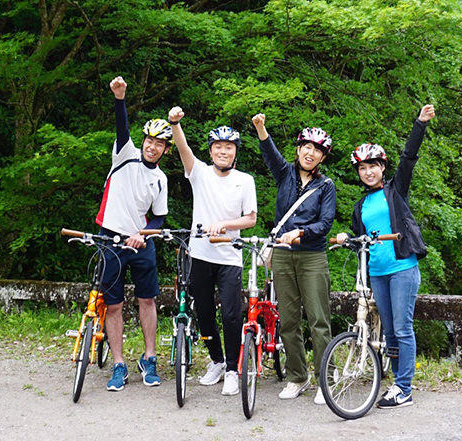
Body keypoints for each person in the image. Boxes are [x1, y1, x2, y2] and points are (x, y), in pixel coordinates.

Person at [335, 104, 436, 408]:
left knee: (403, 327)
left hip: (402, 266)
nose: (368, 171)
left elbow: (409, 159)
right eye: (363, 168)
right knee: (389, 328)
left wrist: (419, 123)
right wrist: (345, 239)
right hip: (376, 272)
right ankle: (394, 383)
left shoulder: (395, 191)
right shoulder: (360, 206)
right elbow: (360, 241)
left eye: (373, 166)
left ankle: (403, 388)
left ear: (381, 167)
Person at [168, 106, 257, 396]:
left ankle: (233, 368)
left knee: (232, 314)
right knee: (204, 312)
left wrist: (225, 224)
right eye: (218, 147)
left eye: (228, 147)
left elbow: (251, 218)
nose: (223, 152)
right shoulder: (200, 174)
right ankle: (216, 361)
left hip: (229, 256)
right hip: (200, 255)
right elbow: (182, 149)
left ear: (236, 152)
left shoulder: (245, 180)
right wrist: (175, 123)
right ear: (210, 151)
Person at [251, 113, 336, 404]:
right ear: (298, 149)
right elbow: (268, 153)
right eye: (306, 147)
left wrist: (300, 232)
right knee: (287, 320)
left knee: (318, 320)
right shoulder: (285, 174)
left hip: (312, 257)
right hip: (283, 257)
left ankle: (326, 380)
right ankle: (297, 376)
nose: (310, 152)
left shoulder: (326, 186)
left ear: (322, 157)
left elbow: (325, 224)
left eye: (317, 150)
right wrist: (261, 127)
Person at [99, 76, 172, 391]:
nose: (152, 146)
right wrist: (120, 98)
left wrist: (144, 234)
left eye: (159, 143)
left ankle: (149, 357)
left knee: (147, 300)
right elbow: (121, 127)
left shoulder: (161, 179)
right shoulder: (124, 154)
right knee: (113, 305)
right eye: (149, 140)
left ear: (165, 149)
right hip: (112, 238)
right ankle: (118, 363)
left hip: (141, 244)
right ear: (143, 140)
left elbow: (160, 217)